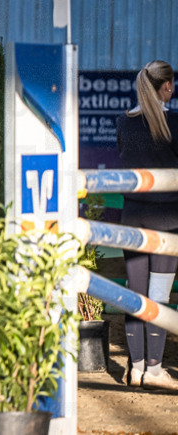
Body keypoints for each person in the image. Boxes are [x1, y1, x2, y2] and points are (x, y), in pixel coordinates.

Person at [115, 59, 178, 390]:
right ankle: (154, 369)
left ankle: (135, 368)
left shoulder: (123, 123)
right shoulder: (175, 124)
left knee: (135, 294)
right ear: (166, 87)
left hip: (133, 220)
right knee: (158, 295)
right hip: (168, 222)